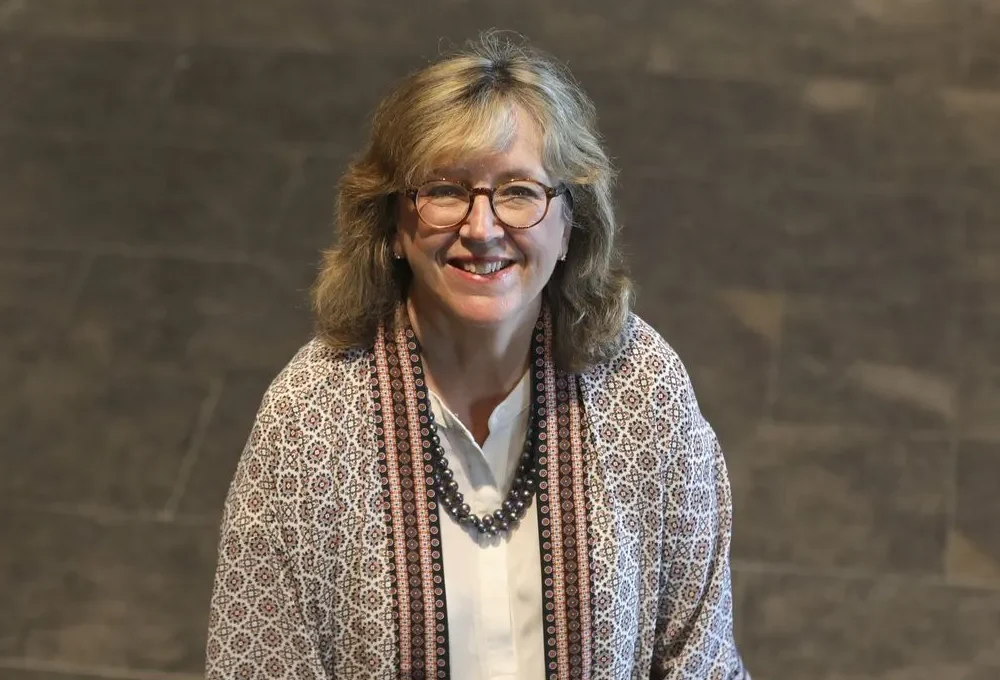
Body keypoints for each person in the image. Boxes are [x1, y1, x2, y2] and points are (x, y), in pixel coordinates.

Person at [205, 32, 750, 680]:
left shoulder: (642, 389)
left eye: (519, 191)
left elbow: (701, 661)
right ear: (393, 226)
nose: (483, 228)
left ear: (568, 221)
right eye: (445, 191)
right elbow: (258, 664)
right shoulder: (308, 422)